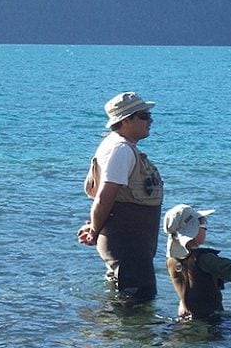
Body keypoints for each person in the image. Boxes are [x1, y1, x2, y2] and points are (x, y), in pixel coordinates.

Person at [77, 91, 164, 303]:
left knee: (124, 300)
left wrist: (94, 226)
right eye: (144, 116)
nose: (150, 120)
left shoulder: (118, 146)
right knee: (137, 302)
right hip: (127, 246)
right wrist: (95, 230)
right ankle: (123, 335)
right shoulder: (121, 150)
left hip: (129, 245)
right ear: (126, 121)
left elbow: (109, 199)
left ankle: (111, 334)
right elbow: (105, 197)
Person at [163, 204, 231, 320]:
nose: (206, 229)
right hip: (211, 322)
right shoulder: (205, 259)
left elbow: (197, 281)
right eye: (204, 225)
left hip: (186, 319)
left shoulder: (172, 261)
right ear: (193, 231)